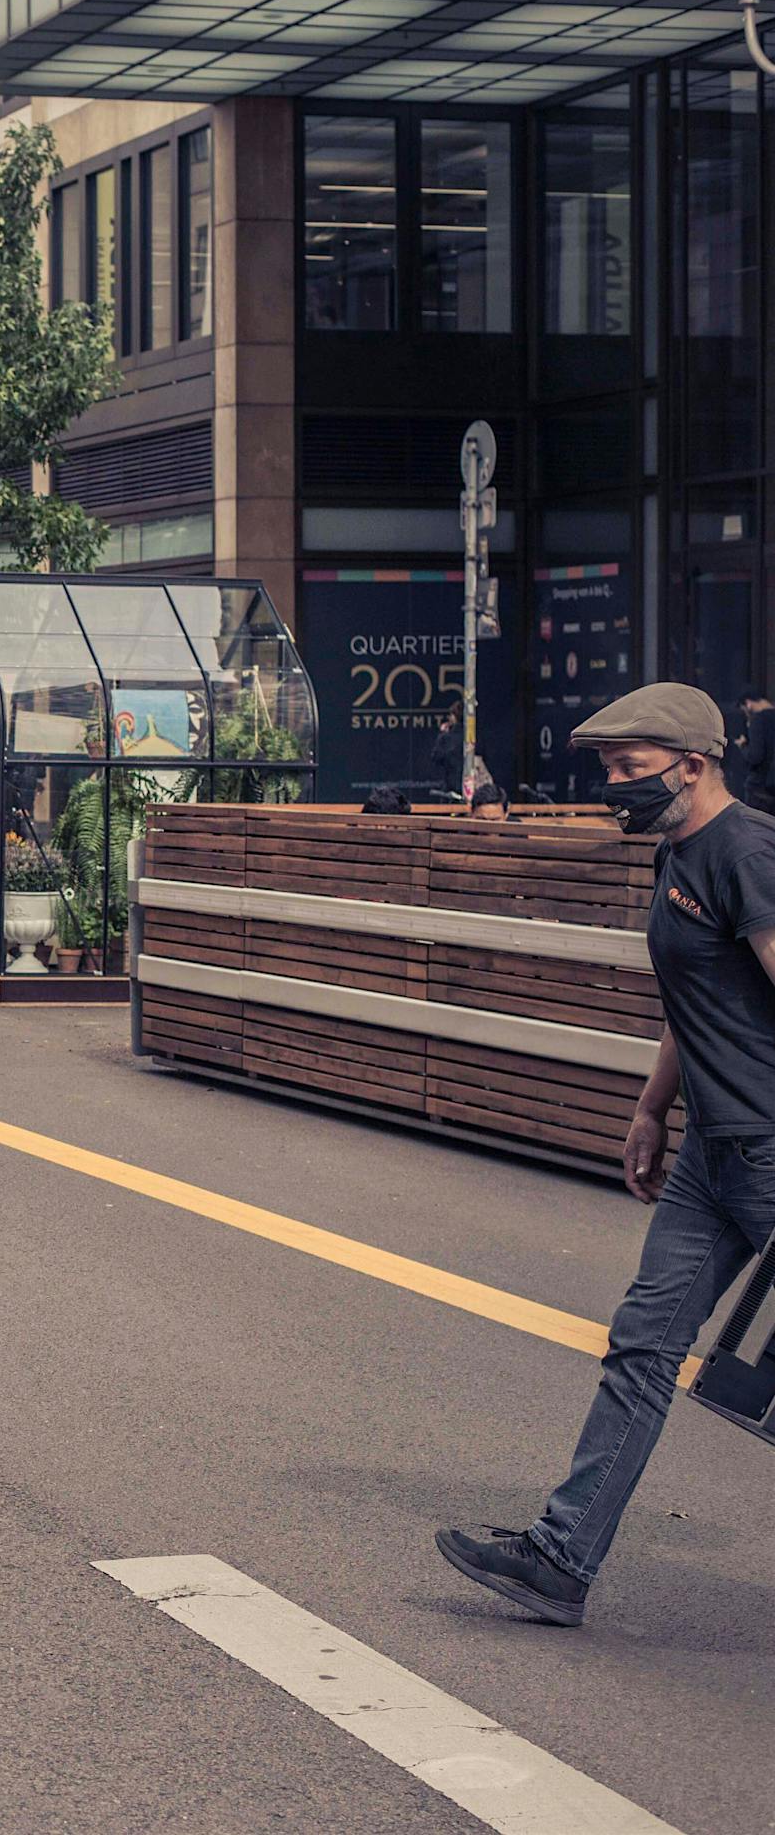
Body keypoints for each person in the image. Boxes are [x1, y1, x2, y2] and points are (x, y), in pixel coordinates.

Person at [437, 682, 775, 1628]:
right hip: (714, 1154)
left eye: (629, 771)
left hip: (769, 1152)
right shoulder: (680, 850)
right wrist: (650, 1109)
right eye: (610, 772)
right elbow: (697, 1001)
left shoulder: (746, 851)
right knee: (642, 1347)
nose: (615, 788)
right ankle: (560, 1557)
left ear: (694, 766)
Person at [739, 687, 774, 816]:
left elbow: (755, 756)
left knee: (756, 828)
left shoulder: (758, 720)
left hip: (761, 786)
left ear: (748, 704)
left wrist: (743, 746)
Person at [431, 705, 464, 795]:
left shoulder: (447, 737)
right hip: (469, 784)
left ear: (454, 717)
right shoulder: (472, 736)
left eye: (451, 715)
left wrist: (442, 734)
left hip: (452, 784)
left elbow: (436, 757)